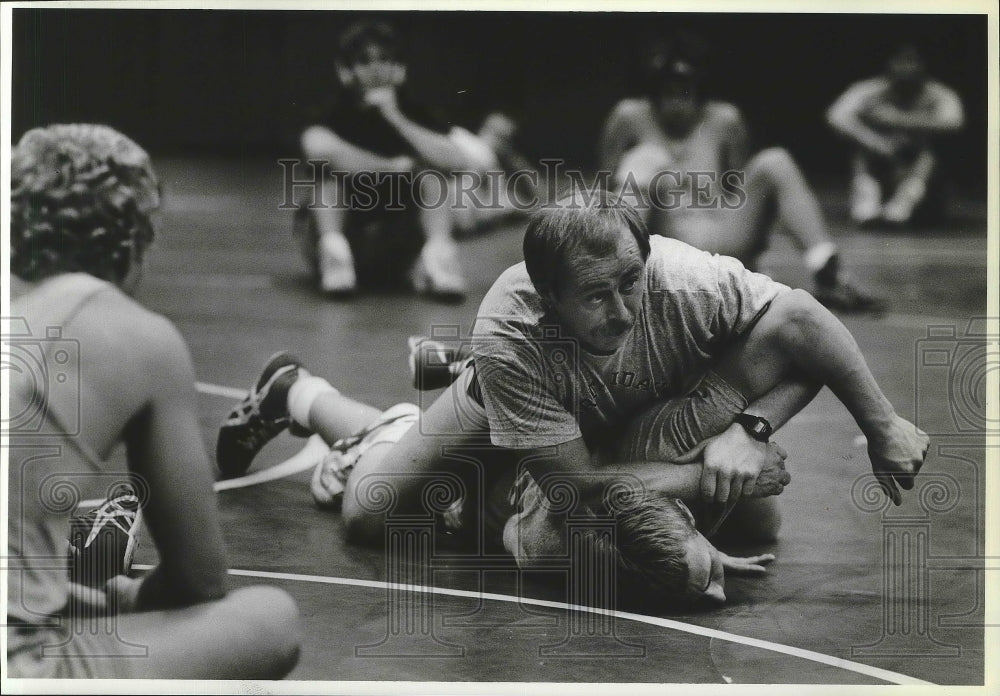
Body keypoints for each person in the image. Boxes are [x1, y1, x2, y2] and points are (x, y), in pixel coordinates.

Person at [218, 189, 928, 605]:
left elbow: (801, 322)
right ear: (549, 301)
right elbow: (578, 490)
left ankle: (477, 484)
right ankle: (310, 395)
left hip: (623, 415)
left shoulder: (685, 281)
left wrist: (782, 426)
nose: (623, 309)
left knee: (758, 526)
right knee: (369, 515)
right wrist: (698, 475)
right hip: (521, 401)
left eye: (630, 280)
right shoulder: (515, 330)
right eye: (596, 295)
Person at [7, 124, 301, 679]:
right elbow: (198, 580)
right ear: (128, 247)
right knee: (270, 616)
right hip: (16, 671)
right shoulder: (135, 333)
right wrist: (125, 599)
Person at [599, 33, 885, 313]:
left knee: (775, 160)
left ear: (700, 90)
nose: (677, 102)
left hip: (721, 234)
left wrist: (752, 254)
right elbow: (606, 192)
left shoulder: (724, 119)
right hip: (667, 242)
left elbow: (740, 190)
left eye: (685, 91)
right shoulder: (629, 117)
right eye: (668, 92)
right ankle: (618, 275)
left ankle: (828, 273)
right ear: (654, 91)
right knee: (645, 158)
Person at [296, 19, 492, 300]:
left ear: (399, 68)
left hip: (395, 249)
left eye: (384, 59)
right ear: (346, 71)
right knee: (328, 176)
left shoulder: (415, 113)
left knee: (433, 176)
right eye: (364, 61)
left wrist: (394, 117)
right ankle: (335, 258)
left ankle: (439, 260)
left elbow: (456, 159)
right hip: (347, 238)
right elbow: (319, 150)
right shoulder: (332, 114)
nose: (376, 69)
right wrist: (392, 168)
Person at [826, 43, 964, 227]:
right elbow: (836, 116)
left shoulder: (940, 94)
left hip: (922, 175)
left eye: (912, 61)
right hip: (880, 162)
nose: (906, 68)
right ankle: (868, 201)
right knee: (862, 152)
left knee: (928, 154)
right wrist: (874, 142)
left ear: (924, 65)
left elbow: (954, 122)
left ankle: (904, 202)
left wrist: (898, 120)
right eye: (900, 61)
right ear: (888, 64)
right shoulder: (868, 90)